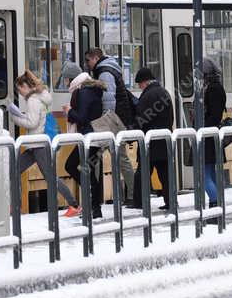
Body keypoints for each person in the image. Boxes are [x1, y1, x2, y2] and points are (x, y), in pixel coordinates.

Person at [8, 70, 80, 217]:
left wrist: (15, 118)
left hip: (38, 145)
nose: (19, 93)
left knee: (50, 177)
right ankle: (15, 207)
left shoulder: (33, 100)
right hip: (35, 144)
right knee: (13, 170)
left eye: (19, 89)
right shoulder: (40, 97)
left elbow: (32, 123)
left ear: (25, 86)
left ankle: (74, 205)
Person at [85, 47, 136, 203]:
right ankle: (130, 194)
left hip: (111, 120)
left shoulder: (105, 71)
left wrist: (104, 121)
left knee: (109, 156)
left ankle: (132, 194)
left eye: (88, 60)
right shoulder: (111, 68)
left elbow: (109, 99)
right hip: (117, 118)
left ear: (95, 58)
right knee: (117, 157)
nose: (88, 65)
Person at [63, 72, 106, 219]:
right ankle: (94, 208)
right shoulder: (93, 91)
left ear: (73, 80)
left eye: (67, 80)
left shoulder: (83, 93)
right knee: (87, 171)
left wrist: (69, 111)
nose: (66, 83)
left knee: (71, 166)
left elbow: (81, 118)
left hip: (89, 138)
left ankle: (94, 207)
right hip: (95, 137)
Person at [132, 67, 173, 210]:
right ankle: (171, 201)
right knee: (165, 174)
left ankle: (138, 202)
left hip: (150, 142)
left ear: (145, 82)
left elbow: (142, 119)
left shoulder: (148, 95)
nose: (139, 87)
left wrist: (132, 133)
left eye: (140, 84)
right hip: (164, 140)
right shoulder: (164, 92)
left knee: (142, 174)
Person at [201, 58, 226, 207]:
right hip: (209, 136)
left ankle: (215, 203)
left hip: (208, 136)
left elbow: (214, 115)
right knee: (210, 173)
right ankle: (217, 203)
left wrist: (203, 127)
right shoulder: (213, 86)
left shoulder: (213, 89)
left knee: (204, 175)